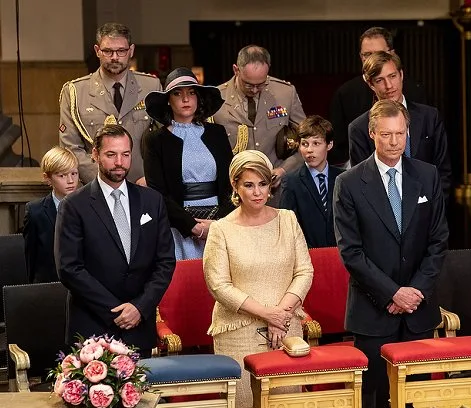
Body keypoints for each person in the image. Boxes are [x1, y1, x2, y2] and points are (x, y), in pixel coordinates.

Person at [333, 100, 448, 408]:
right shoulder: (349, 183)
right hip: (373, 315)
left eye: (401, 133)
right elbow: (351, 252)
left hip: (419, 313)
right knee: (377, 399)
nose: (395, 142)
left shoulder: (427, 175)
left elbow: (438, 241)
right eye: (386, 135)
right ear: (372, 134)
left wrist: (415, 292)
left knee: (419, 399)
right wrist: (393, 293)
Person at [203, 150, 313, 408]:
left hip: (286, 328)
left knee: (285, 403)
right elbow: (219, 285)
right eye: (249, 185)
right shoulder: (221, 229)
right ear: (235, 186)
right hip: (237, 334)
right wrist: (268, 314)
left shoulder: (287, 219)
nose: (257, 192)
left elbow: (304, 272)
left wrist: (280, 315)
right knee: (243, 404)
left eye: (263, 184)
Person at [55, 124, 175, 358]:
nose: (119, 161)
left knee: (141, 395)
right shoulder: (73, 205)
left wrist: (140, 307)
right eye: (111, 154)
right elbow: (69, 268)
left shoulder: (152, 201)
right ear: (95, 155)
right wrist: (116, 312)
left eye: (125, 154)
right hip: (92, 327)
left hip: (139, 326)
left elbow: (165, 262)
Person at [143, 67, 234, 260]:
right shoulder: (155, 140)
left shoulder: (217, 133)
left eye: (191, 93)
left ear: (198, 98)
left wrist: (219, 224)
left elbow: (232, 183)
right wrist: (192, 227)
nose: (186, 99)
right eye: (178, 94)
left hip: (221, 225)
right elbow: (158, 193)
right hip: (179, 227)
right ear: (168, 100)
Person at [59, 22, 161, 185]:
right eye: (108, 51)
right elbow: (71, 148)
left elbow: (163, 141)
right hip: (96, 189)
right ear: (97, 51)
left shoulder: (151, 87)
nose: (114, 57)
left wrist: (152, 177)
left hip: (142, 187)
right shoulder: (75, 92)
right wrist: (106, 182)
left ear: (131, 51)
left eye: (121, 51)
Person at [348, 51, 451, 202]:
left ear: (401, 75)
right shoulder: (358, 128)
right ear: (370, 84)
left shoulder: (430, 117)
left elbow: (444, 173)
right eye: (379, 80)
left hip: (428, 212)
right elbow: (362, 183)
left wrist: (433, 211)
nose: (389, 86)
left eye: (392, 76)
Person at [212, 45, 307, 202]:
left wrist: (284, 170)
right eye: (248, 84)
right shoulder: (217, 98)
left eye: (261, 84)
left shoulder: (285, 93)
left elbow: (306, 138)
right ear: (236, 70)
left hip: (276, 193)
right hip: (234, 194)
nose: (255, 90)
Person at [329, 27, 426, 166]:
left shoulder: (415, 90)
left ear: (391, 53)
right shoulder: (346, 93)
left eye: (379, 54)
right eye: (367, 54)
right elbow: (338, 148)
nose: (374, 59)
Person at [279, 115, 343, 248]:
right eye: (304, 144)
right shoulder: (291, 182)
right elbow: (287, 228)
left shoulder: (343, 178)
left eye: (316, 143)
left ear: (329, 145)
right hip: (308, 257)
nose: (309, 150)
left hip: (341, 256)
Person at [23, 146, 79, 283]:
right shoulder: (35, 211)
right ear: (47, 178)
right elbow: (31, 258)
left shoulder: (89, 206)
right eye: (62, 175)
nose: (70, 181)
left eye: (74, 173)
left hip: (82, 286)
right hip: (48, 285)